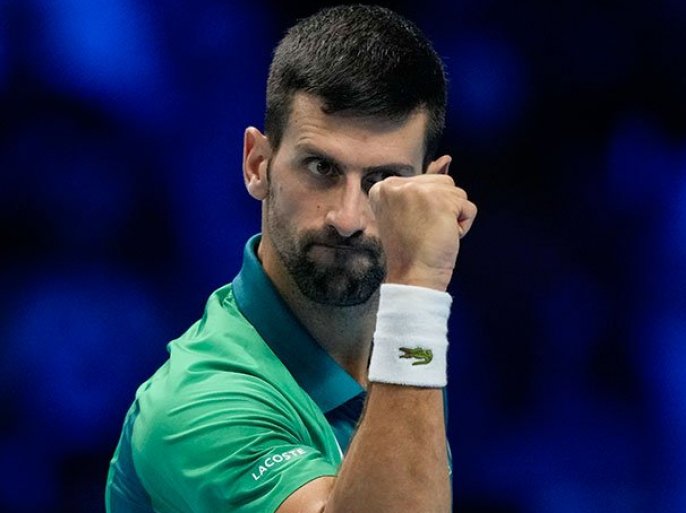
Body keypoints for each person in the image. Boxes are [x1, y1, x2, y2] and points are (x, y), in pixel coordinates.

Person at [105, 5, 477, 513]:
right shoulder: (196, 403)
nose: (347, 218)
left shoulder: (395, 344)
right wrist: (418, 288)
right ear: (257, 164)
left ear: (432, 188)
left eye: (383, 181)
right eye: (321, 168)